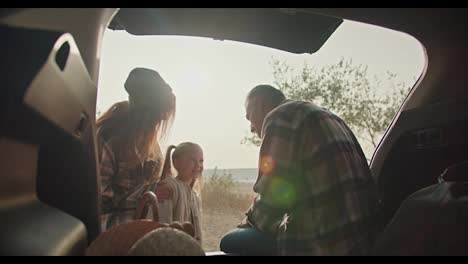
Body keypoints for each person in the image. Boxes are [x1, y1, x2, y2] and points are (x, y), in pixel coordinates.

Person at [220, 84, 380, 256]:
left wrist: (250, 220)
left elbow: (272, 199)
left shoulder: (281, 116)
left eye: (249, 117)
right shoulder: (329, 117)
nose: (251, 128)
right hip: (360, 241)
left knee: (231, 241)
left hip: (325, 244)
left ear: (260, 103)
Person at [97, 67, 176, 231]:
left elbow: (156, 181)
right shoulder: (110, 140)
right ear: (147, 112)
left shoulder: (149, 142)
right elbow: (101, 203)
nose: (158, 125)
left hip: (141, 219)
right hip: (113, 228)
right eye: (158, 118)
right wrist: (148, 193)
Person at [155, 142, 204, 244]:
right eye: (192, 161)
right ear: (176, 162)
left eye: (201, 161)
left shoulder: (194, 195)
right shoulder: (169, 187)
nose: (198, 165)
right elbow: (163, 223)